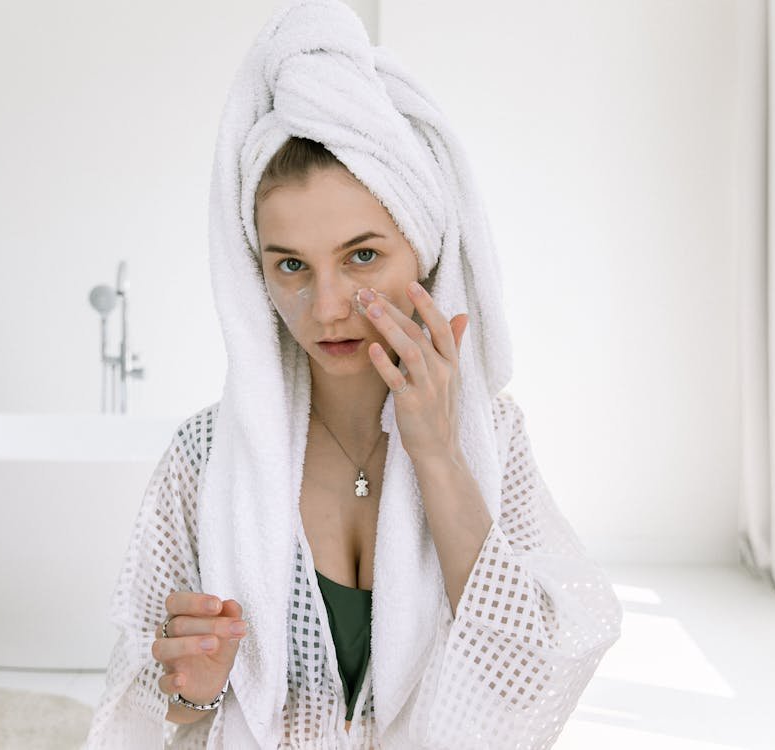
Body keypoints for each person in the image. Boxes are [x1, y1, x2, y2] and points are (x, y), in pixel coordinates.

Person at [83, 1, 623, 748]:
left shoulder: (490, 439)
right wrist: (196, 693)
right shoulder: (205, 460)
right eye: (290, 266)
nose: (326, 306)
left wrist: (435, 452)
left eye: (362, 256)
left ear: (424, 256)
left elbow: (532, 676)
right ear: (256, 273)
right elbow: (141, 715)